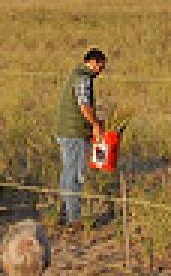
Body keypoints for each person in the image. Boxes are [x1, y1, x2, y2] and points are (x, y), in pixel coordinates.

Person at [52, 48, 107, 229]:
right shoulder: (84, 78)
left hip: (65, 130)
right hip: (73, 133)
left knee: (67, 172)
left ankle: (63, 212)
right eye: (101, 66)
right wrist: (96, 125)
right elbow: (84, 106)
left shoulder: (76, 74)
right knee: (74, 175)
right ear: (93, 62)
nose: (101, 70)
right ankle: (73, 219)